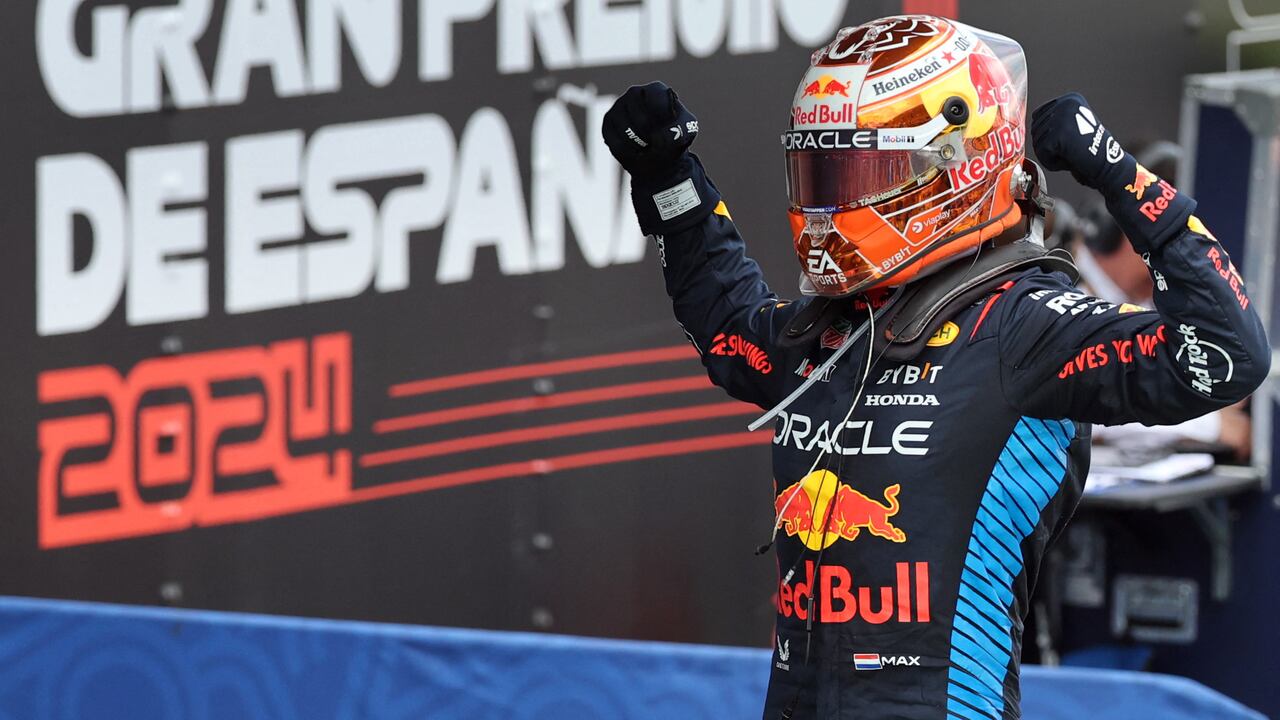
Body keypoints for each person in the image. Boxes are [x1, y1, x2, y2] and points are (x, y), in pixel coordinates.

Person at [601, 14, 1269, 720]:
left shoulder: (1025, 324)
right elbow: (728, 327)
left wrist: (1116, 172)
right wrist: (670, 180)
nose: (832, 200)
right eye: (821, 171)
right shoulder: (834, 327)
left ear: (957, 164)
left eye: (865, 170)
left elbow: (1226, 354)